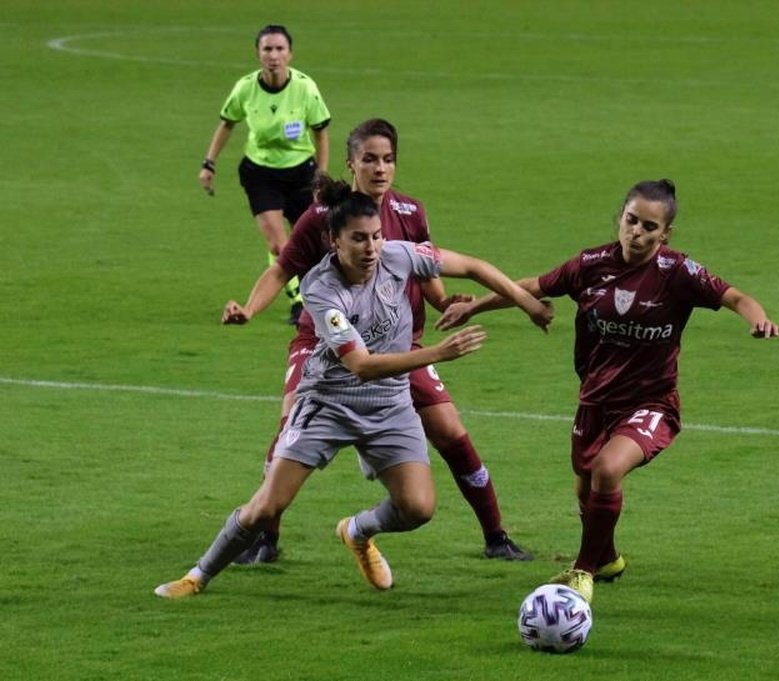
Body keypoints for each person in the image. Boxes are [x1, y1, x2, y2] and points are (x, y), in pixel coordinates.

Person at [155, 182, 552, 599]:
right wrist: (438, 352)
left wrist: (526, 303)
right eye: (359, 238)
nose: (372, 248)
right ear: (333, 240)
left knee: (418, 508)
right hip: (329, 402)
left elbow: (472, 265)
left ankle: (358, 531)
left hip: (390, 406)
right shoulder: (320, 288)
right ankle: (197, 577)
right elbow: (361, 366)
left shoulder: (399, 257)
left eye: (377, 236)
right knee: (267, 506)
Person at [436, 179, 779, 603]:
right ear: (620, 218)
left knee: (607, 470)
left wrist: (758, 318)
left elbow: (735, 296)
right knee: (585, 489)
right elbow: (533, 286)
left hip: (651, 403)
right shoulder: (591, 264)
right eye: (631, 220)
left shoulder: (678, 273)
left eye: (649, 227)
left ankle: (581, 572)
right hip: (595, 401)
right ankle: (608, 559)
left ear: (665, 234)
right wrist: (474, 306)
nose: (636, 232)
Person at [222, 119, 536, 564]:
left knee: (451, 432)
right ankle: (264, 536)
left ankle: (496, 536)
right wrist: (250, 310)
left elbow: (426, 271)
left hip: (400, 345)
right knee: (289, 427)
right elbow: (281, 269)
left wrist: (446, 300)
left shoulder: (410, 212)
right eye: (369, 159)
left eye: (388, 159)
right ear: (350, 163)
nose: (380, 168)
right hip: (326, 347)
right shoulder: (322, 218)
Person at [199, 24, 331, 325]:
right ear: (258, 54)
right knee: (278, 244)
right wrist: (209, 163)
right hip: (261, 173)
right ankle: (299, 302)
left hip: (301, 173)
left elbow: (321, 133)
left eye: (279, 49)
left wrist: (321, 177)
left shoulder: (305, 87)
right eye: (267, 49)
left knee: (312, 240)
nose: (273, 55)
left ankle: (323, 296)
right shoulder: (245, 88)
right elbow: (227, 123)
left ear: (290, 53)